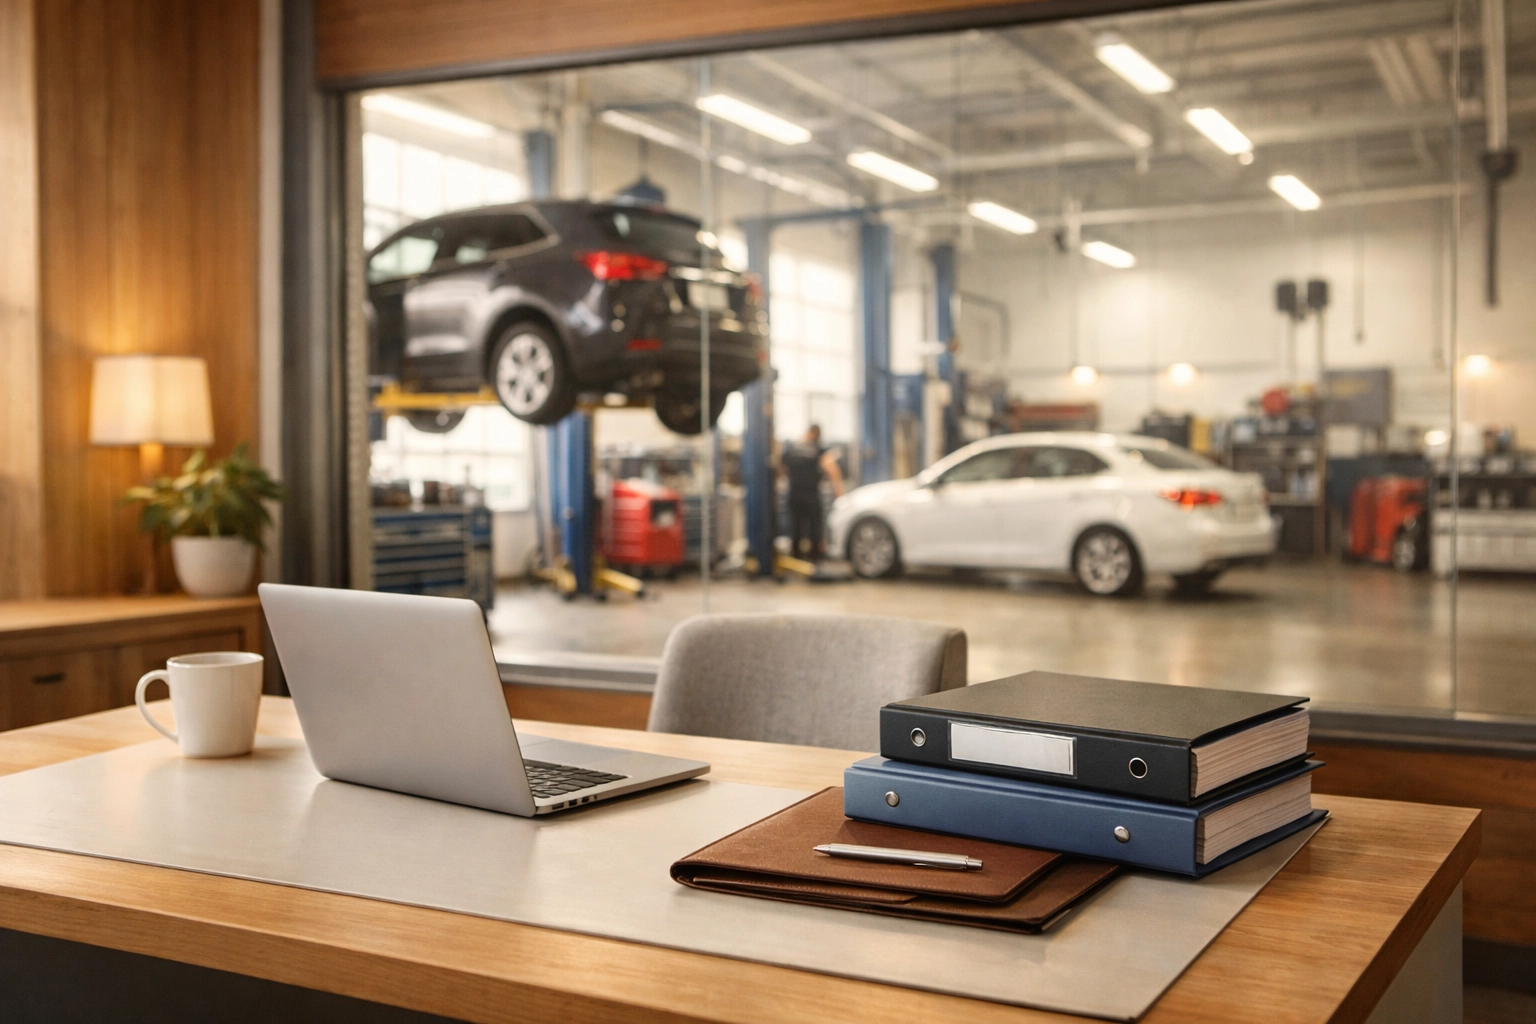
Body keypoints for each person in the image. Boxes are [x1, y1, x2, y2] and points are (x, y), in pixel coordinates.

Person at [779, 424, 845, 561]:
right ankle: (815, 560)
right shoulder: (818, 449)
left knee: (795, 527)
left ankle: (796, 558)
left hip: (794, 495)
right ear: (818, 435)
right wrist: (839, 492)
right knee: (815, 528)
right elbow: (832, 469)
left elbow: (781, 469)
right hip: (811, 495)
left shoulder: (792, 449)